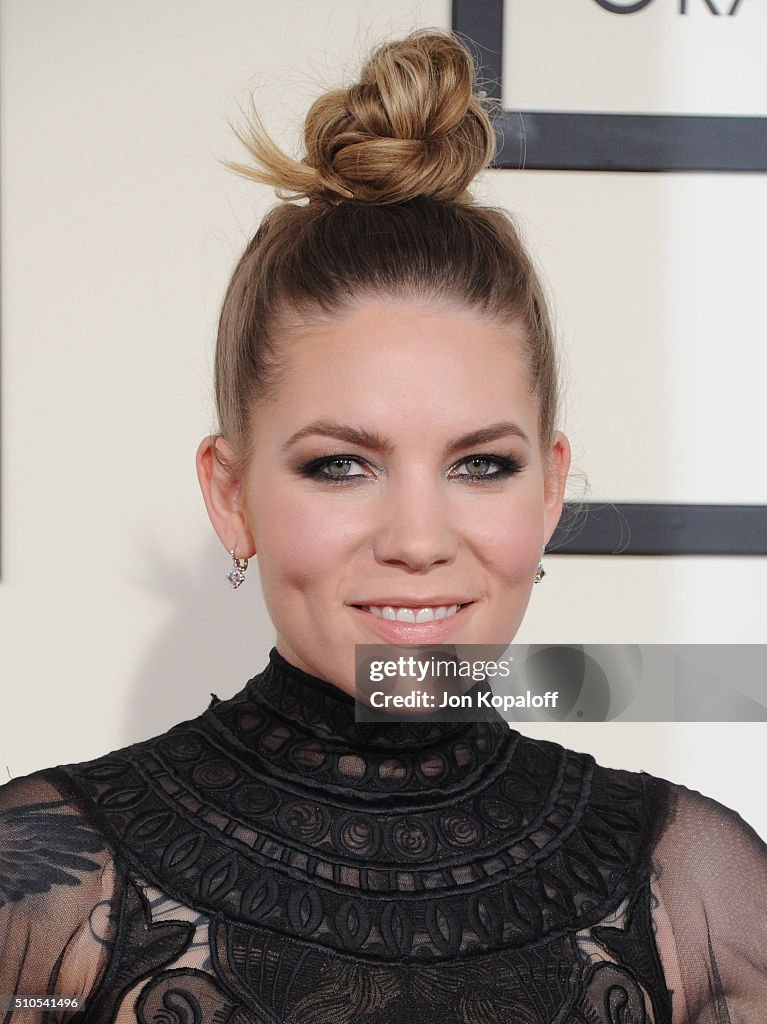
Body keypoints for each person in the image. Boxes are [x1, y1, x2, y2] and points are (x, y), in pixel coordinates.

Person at [0, 28, 765, 1024]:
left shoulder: (700, 892)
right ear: (230, 495)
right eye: (340, 465)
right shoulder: (45, 892)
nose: (416, 536)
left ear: (547, 494)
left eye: (479, 464)